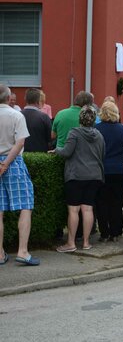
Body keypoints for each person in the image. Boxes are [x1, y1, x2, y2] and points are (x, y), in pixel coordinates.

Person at [54, 106, 105, 253]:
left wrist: (56, 150)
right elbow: (102, 154)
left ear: (80, 118)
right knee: (88, 209)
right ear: (94, 119)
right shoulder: (99, 135)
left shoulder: (74, 133)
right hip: (94, 175)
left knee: (74, 210)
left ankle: (71, 243)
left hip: (76, 175)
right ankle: (87, 242)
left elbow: (66, 152)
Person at [0, 84, 40, 266]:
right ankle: (22, 251)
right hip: (13, 161)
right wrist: (6, 163)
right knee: (25, 205)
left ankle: (0, 254)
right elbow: (20, 142)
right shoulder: (17, 115)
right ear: (9, 98)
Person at [95, 101, 123, 242]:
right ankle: (116, 232)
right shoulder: (122, 130)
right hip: (119, 171)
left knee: (101, 203)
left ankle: (104, 232)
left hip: (101, 170)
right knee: (116, 203)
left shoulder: (97, 129)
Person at [21, 88, 52, 153]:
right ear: (38, 101)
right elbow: (50, 138)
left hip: (20, 154)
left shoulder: (17, 115)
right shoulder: (44, 117)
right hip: (40, 156)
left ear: (25, 99)